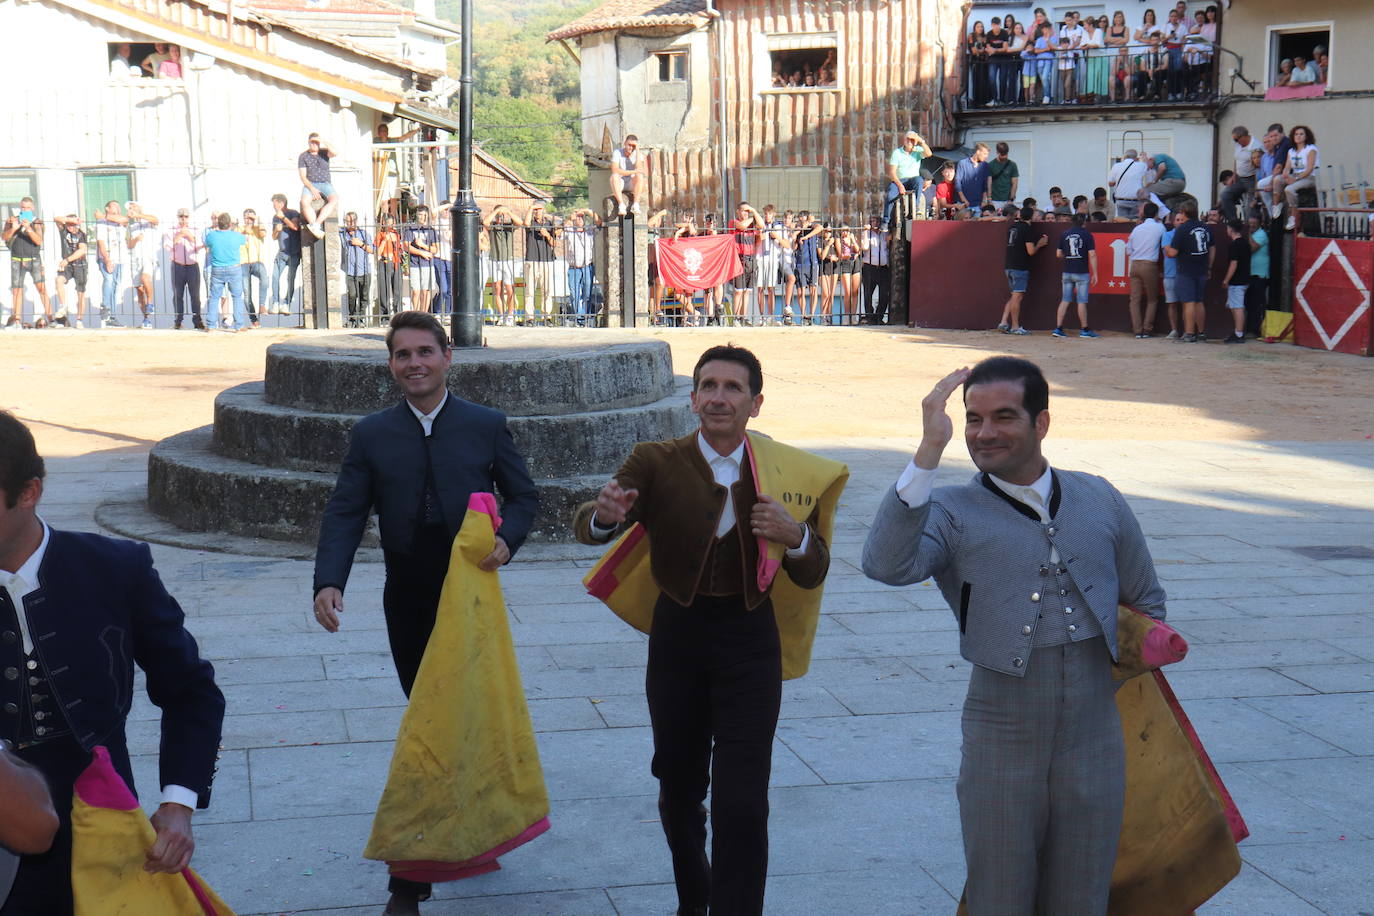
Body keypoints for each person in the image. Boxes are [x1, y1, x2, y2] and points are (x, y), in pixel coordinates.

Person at [861, 357, 1166, 916]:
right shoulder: (950, 508)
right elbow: (885, 564)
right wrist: (928, 452)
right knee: (999, 894)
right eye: (973, 419)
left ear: (1041, 423)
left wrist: (1129, 669)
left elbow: (1146, 601)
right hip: (1001, 723)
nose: (984, 433)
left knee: (1084, 895)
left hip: (1096, 731)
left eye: (1003, 417)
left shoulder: (1098, 495)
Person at [573, 345, 833, 916]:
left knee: (744, 800)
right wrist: (604, 516)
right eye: (708, 386)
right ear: (692, 400)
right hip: (679, 641)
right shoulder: (656, 459)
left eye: (733, 388)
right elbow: (589, 526)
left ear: (756, 404)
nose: (719, 397)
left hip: (749, 642)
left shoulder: (786, 472)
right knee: (680, 784)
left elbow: (813, 572)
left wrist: (797, 537)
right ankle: (695, 897)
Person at [312, 312, 538, 916]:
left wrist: (508, 540)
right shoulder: (372, 433)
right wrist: (329, 581)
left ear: (447, 357)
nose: (414, 363)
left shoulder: (485, 425)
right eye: (402, 354)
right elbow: (345, 510)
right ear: (391, 364)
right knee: (429, 724)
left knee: (451, 722)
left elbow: (524, 496)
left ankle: (408, 884)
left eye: (424, 352)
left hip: (472, 597)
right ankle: (450, 838)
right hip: (408, 597)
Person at [0, 410, 226, 916]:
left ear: (29, 492)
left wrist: (177, 803)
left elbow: (191, 690)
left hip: (104, 818)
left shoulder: (114, 568)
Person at [1164, 201, 1215, 342]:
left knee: (1189, 302)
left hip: (1186, 269)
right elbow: (1212, 248)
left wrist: (1167, 249)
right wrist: (1209, 267)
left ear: (1185, 213)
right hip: (1202, 268)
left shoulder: (1182, 229)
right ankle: (1201, 332)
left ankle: (1189, 333)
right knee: (1199, 301)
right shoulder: (1205, 227)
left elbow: (1172, 253)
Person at [2, 200, 53, 329]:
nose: (25, 210)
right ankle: (17, 321)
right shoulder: (12, 220)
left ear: (33, 208)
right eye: (23, 208)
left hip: (34, 259)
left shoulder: (37, 222)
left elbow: (39, 240)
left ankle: (51, 319)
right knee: (17, 290)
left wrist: (28, 228)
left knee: (41, 288)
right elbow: (4, 237)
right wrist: (14, 228)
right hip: (17, 259)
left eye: (28, 208)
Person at [998, 206, 1046, 335]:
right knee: (1017, 297)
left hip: (1009, 265)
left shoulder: (1012, 227)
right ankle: (1015, 326)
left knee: (1014, 296)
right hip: (1020, 266)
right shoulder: (1027, 229)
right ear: (1030, 217)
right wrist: (1040, 245)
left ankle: (1003, 322)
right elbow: (1030, 251)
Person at [1053, 213, 1098, 338]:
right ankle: (1084, 329)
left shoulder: (1064, 234)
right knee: (1081, 301)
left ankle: (1058, 328)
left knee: (1065, 300)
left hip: (1067, 271)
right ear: (1084, 222)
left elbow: (1058, 254)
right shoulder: (1087, 235)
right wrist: (1095, 273)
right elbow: (1092, 255)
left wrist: (1067, 257)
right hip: (1082, 272)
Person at [1125, 202, 1166, 339]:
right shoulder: (1160, 227)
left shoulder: (1137, 229)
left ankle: (1137, 330)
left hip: (1135, 264)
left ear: (1143, 214)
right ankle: (1147, 329)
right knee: (1152, 299)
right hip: (1149, 265)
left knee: (1134, 299)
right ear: (1155, 214)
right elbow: (1165, 244)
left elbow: (1128, 250)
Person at [203, 213, 247, 332]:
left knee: (214, 297)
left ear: (218, 223)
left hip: (217, 268)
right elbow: (244, 240)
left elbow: (206, 244)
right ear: (230, 224)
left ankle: (211, 325)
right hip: (234, 268)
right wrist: (236, 228)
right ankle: (239, 325)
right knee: (237, 296)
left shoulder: (212, 236)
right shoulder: (236, 236)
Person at [164, 208, 204, 330]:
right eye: (181, 216)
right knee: (177, 294)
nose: (183, 218)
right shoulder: (171, 230)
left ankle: (197, 321)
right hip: (177, 265)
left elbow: (200, 245)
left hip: (192, 265)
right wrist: (179, 235)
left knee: (195, 295)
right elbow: (168, 247)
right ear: (177, 217)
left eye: (186, 216)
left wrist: (189, 236)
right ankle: (178, 321)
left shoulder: (195, 229)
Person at [883, 131, 932, 228]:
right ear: (904, 140)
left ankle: (916, 207)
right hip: (900, 180)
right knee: (890, 196)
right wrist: (900, 185)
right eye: (908, 139)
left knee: (919, 180)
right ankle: (886, 220)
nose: (910, 142)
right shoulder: (897, 153)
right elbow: (892, 172)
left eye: (912, 140)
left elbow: (929, 153)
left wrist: (920, 141)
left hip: (912, 179)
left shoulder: (917, 151)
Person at [1275, 125, 1320, 231]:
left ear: (1306, 136)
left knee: (1289, 189)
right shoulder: (1291, 151)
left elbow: (1309, 169)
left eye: (1301, 134)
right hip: (1295, 176)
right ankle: (1276, 206)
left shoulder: (1311, 149)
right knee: (1277, 179)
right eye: (1296, 134)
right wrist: (1285, 175)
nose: (1298, 136)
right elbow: (1287, 167)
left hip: (1308, 177)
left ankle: (1293, 216)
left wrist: (1295, 179)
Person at [122, 202, 159, 329]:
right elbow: (129, 244)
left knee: (145, 278)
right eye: (129, 209)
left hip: (148, 257)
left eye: (133, 207)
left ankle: (150, 303)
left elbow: (155, 219)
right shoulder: (130, 227)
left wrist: (139, 215)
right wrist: (136, 239)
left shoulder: (148, 222)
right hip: (135, 259)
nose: (131, 210)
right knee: (139, 289)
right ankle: (146, 318)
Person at [482, 205, 520, 326]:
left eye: (502, 216)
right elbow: (485, 222)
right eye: (499, 215)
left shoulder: (509, 226)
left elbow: (520, 223)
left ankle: (510, 314)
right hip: (494, 259)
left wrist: (508, 211)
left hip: (507, 260)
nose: (500, 217)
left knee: (509, 289)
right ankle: (501, 314)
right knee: (497, 289)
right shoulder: (492, 225)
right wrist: (496, 211)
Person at [297, 133, 339, 237]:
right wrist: (312, 189)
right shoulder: (303, 156)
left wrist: (323, 140)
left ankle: (317, 224)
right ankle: (313, 224)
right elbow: (303, 176)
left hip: (325, 183)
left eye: (316, 142)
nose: (314, 144)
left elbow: (335, 152)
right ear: (309, 142)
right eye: (312, 142)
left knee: (334, 199)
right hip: (311, 183)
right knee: (304, 202)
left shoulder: (324, 152)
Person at [522, 203, 558, 324]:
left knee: (547, 290)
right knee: (530, 291)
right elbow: (525, 224)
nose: (538, 212)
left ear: (544, 211)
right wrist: (531, 207)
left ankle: (546, 316)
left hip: (546, 260)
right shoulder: (531, 222)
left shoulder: (549, 223)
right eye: (536, 210)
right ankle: (530, 317)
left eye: (540, 209)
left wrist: (547, 234)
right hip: (532, 259)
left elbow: (554, 243)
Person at [728, 202, 763, 325]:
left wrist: (754, 211)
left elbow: (762, 225)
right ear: (738, 211)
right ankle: (736, 317)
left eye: (747, 211)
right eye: (743, 211)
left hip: (751, 259)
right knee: (738, 291)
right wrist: (753, 218)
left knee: (747, 291)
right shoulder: (733, 222)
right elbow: (742, 226)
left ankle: (743, 317)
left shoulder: (753, 223)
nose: (745, 213)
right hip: (739, 259)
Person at [563, 208, 599, 325]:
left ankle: (584, 317)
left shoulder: (589, 230)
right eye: (577, 217)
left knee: (587, 294)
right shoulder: (569, 231)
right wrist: (569, 218)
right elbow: (558, 232)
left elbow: (600, 223)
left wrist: (588, 211)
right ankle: (578, 317)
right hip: (574, 267)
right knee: (574, 294)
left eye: (581, 217)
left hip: (587, 266)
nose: (579, 219)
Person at [51, 215, 88, 329]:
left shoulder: (81, 234)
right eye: (69, 225)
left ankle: (79, 319)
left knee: (80, 293)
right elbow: (56, 218)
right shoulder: (63, 231)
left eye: (73, 225)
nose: (71, 227)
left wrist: (67, 260)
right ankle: (63, 306)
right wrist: (69, 220)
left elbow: (82, 250)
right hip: (67, 266)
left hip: (80, 265)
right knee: (59, 280)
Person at [93, 201, 126, 328]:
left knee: (116, 285)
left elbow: (125, 219)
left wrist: (103, 215)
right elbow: (100, 241)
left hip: (120, 258)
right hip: (107, 257)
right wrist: (106, 259)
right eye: (114, 205)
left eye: (119, 205)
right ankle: (105, 308)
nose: (117, 207)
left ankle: (112, 315)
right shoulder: (101, 223)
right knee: (109, 279)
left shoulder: (119, 222)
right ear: (107, 208)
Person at [269, 193, 302, 315]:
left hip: (293, 252)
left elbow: (295, 227)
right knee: (275, 277)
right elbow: (273, 237)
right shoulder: (275, 217)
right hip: (282, 252)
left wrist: (283, 218)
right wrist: (277, 231)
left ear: (281, 203)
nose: (274, 207)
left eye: (275, 204)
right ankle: (276, 303)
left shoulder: (293, 213)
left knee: (290, 278)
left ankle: (286, 304)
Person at [1220, 126, 1262, 220]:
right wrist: (1234, 175)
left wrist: (1256, 186)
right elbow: (1236, 159)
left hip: (1251, 178)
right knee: (1225, 195)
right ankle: (1233, 221)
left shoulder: (1256, 146)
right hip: (1239, 178)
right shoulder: (1238, 144)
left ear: (1243, 137)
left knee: (1248, 206)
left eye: (1236, 139)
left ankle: (1249, 227)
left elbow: (1258, 166)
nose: (1235, 142)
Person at [340, 211, 373, 327]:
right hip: (350, 271)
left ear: (356, 221)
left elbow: (373, 250)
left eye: (352, 221)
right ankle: (352, 318)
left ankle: (361, 318)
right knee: (352, 295)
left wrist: (361, 244)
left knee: (364, 296)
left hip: (364, 270)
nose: (350, 223)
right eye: (347, 221)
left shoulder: (364, 234)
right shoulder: (342, 234)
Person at [405, 207, 439, 313]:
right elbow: (406, 246)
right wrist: (421, 252)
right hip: (415, 263)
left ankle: (424, 314)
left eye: (424, 215)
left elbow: (435, 249)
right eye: (420, 215)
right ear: (417, 215)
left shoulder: (431, 230)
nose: (422, 217)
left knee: (426, 291)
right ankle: (415, 313)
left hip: (427, 264)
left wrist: (423, 246)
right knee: (416, 291)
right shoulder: (410, 229)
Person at [1221, 219, 1250, 343]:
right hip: (1244, 278)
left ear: (1231, 229)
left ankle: (1239, 333)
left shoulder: (1234, 245)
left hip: (1237, 280)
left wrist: (1226, 280)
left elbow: (1234, 264)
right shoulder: (1245, 243)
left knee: (1237, 307)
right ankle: (1238, 332)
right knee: (1236, 306)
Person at [240, 209, 268, 329]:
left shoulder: (258, 229)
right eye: (246, 218)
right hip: (243, 263)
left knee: (265, 279)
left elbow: (263, 233)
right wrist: (244, 231)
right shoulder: (239, 229)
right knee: (246, 293)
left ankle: (262, 305)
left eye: (251, 218)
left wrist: (257, 219)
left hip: (257, 261)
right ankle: (254, 320)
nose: (248, 220)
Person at [861, 215, 890, 325]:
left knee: (884, 294)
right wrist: (864, 232)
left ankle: (879, 316)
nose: (876, 223)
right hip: (870, 267)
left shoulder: (884, 234)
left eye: (878, 221)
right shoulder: (867, 234)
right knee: (868, 294)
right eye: (873, 221)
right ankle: (870, 316)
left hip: (883, 268)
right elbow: (865, 247)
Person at [375, 213, 404, 321]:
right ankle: (385, 316)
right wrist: (384, 240)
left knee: (397, 289)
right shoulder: (380, 234)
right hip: (384, 262)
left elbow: (399, 249)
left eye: (391, 223)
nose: (390, 225)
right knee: (384, 290)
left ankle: (398, 314)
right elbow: (377, 253)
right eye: (387, 223)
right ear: (383, 223)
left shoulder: (396, 234)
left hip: (395, 262)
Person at [1160, 209, 1184, 339]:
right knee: (1172, 303)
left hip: (1184, 273)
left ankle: (1188, 330)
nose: (1180, 222)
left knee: (1187, 303)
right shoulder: (1167, 235)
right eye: (1178, 220)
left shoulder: (1186, 235)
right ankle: (1174, 329)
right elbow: (1169, 252)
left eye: (1182, 220)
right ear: (1173, 222)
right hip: (1170, 273)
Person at [794, 212, 821, 324]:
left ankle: (811, 316)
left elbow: (819, 227)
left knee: (813, 290)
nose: (803, 220)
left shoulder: (812, 227)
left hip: (812, 263)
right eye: (801, 219)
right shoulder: (798, 229)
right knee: (801, 292)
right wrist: (801, 230)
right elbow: (793, 238)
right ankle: (804, 315)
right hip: (800, 263)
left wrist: (806, 236)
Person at [1245, 213, 1270, 339]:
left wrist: (1247, 233)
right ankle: (1248, 328)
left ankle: (1254, 330)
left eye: (1254, 223)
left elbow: (1252, 248)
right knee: (1249, 303)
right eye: (1250, 224)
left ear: (1259, 224)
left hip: (1259, 274)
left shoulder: (1261, 234)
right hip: (1251, 273)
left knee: (1255, 304)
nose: (1252, 226)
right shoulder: (1255, 234)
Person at [611, 135, 647, 217]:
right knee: (614, 176)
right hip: (621, 182)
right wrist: (633, 171)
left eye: (633, 146)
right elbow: (615, 170)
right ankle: (621, 205)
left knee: (639, 176)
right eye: (629, 145)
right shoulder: (617, 152)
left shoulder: (637, 154)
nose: (630, 148)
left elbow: (639, 169)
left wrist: (637, 150)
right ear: (625, 143)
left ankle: (636, 204)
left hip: (631, 183)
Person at [1108, 150, 1147, 220]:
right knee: (1135, 223)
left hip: (1121, 200)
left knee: (1122, 223)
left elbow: (1110, 183)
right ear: (1136, 158)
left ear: (1124, 157)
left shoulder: (1116, 166)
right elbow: (1147, 164)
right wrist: (1144, 156)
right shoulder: (1141, 165)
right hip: (1135, 200)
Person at [956, 142, 992, 213]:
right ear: (978, 152)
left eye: (987, 154)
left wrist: (984, 200)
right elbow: (958, 183)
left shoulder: (985, 166)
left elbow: (985, 184)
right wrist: (964, 200)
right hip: (964, 204)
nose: (986, 156)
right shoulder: (963, 163)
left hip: (978, 205)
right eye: (985, 154)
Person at [987, 142, 1019, 213]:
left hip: (1008, 199)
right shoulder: (991, 165)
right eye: (1002, 155)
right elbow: (989, 183)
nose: (1004, 157)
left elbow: (1015, 184)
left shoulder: (1012, 165)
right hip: (995, 200)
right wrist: (989, 199)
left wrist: (1011, 199)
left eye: (1005, 154)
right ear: (997, 152)